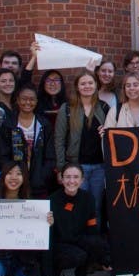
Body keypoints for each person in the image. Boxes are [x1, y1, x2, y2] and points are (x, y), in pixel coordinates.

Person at [56, 72, 108, 226]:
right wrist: (61, 168)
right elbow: (59, 140)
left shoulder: (104, 107)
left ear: (96, 85)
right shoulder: (67, 108)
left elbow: (113, 135)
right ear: (77, 87)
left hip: (100, 166)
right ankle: (77, 237)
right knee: (78, 206)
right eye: (83, 83)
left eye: (90, 83)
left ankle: (94, 236)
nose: (87, 86)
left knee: (96, 205)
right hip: (76, 166)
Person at [46, 164, 110, 276]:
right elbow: (47, 238)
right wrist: (47, 272)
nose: (71, 181)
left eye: (76, 177)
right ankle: (56, 272)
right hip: (59, 244)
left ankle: (81, 273)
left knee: (96, 242)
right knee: (77, 255)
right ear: (62, 179)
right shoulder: (51, 200)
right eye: (68, 177)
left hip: (79, 239)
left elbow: (92, 229)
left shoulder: (88, 198)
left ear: (82, 180)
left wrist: (104, 258)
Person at [0, 84, 56, 199]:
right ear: (18, 100)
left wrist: (42, 176)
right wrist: (12, 175)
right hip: (14, 184)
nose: (28, 102)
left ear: (37, 101)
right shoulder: (9, 125)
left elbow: (50, 155)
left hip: (39, 184)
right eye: (24, 99)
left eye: (32, 99)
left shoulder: (44, 124)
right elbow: (2, 154)